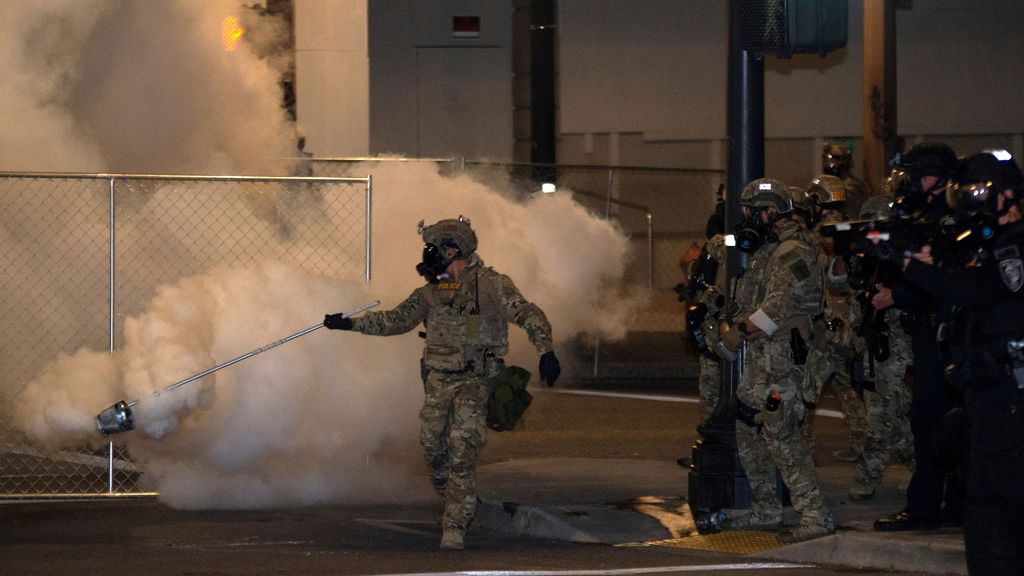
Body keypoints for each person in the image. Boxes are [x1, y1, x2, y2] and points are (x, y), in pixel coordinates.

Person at [324, 216, 561, 550]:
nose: (429, 255)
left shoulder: (492, 285)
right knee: (434, 450)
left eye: (435, 248)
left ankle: (455, 526)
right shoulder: (431, 292)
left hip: (475, 380)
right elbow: (396, 320)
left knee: (463, 449)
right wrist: (349, 324)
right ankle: (460, 501)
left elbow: (528, 313)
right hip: (437, 380)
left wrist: (545, 350)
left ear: (453, 249)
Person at [899, 150, 1024, 575]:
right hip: (984, 393)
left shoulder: (1015, 247)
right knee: (983, 503)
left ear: (1008, 194)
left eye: (978, 192)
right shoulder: (984, 245)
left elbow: (979, 292)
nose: (971, 201)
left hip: (1010, 396)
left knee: (998, 504)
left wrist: (912, 268)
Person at [717, 178, 834, 543]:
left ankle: (815, 512)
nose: (748, 218)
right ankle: (765, 507)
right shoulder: (771, 250)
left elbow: (780, 305)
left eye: (752, 211)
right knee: (749, 426)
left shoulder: (792, 250)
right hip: (765, 357)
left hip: (783, 357)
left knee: (781, 430)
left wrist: (743, 329)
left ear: (768, 212)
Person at [870, 143, 965, 531]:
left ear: (930, 178)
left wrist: (898, 295)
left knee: (929, 420)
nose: (904, 183)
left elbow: (946, 278)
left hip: (940, 336)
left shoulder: (946, 221)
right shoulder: (931, 215)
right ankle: (953, 504)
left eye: (911, 175)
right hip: (937, 333)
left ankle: (924, 507)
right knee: (947, 419)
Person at [847, 194, 915, 500]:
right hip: (877, 350)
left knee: (883, 423)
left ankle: (866, 480)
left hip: (899, 352)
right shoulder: (874, 263)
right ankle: (926, 474)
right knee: (896, 423)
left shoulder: (904, 261)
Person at [802, 175, 870, 462]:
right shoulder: (853, 228)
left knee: (808, 389)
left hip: (826, 323)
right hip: (851, 323)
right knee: (847, 389)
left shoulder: (819, 233)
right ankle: (864, 445)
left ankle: (800, 448)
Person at [823, 141, 869, 219]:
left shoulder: (852, 188)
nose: (829, 165)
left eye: (832, 162)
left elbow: (847, 214)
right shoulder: (839, 185)